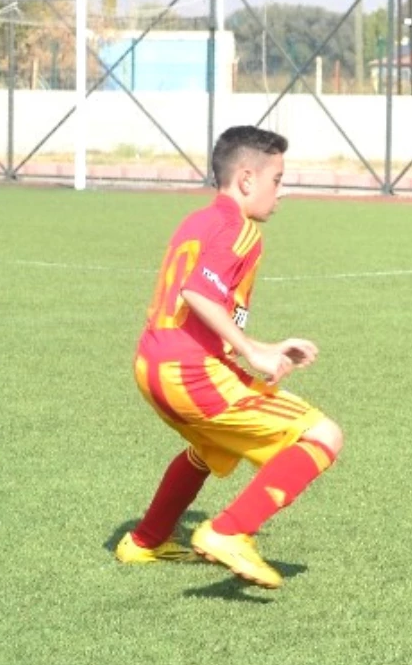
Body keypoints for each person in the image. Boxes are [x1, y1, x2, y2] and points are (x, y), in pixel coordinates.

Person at [115, 125, 343, 589]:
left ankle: (144, 541)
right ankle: (229, 531)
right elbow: (199, 293)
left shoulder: (197, 220)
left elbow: (198, 304)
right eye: (277, 180)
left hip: (151, 364)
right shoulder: (240, 230)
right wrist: (251, 354)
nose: (282, 192)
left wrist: (261, 348)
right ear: (245, 179)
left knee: (209, 446)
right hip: (189, 371)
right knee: (323, 434)